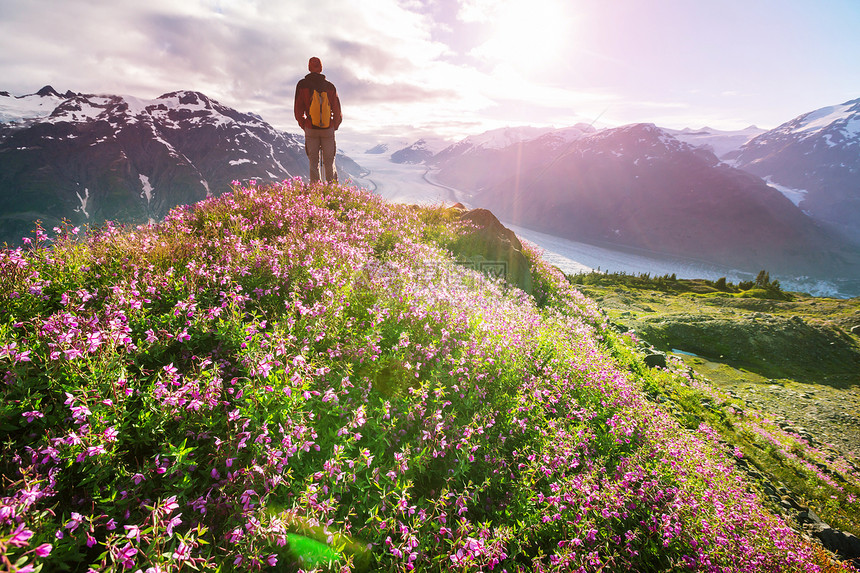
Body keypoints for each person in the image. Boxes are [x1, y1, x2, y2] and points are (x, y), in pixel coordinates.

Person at [294, 57, 342, 183]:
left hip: (311, 128)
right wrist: (333, 126)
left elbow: (298, 109)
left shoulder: (302, 85)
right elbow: (337, 110)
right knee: (329, 161)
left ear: (309, 68)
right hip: (328, 130)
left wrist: (304, 124)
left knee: (313, 162)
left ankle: (316, 191)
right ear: (321, 68)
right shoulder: (330, 86)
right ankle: (332, 192)